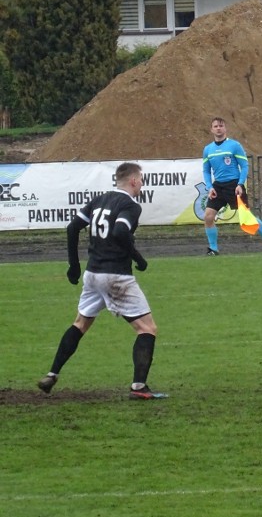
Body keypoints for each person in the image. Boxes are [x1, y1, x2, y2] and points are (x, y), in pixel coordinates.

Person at [37, 162, 167, 400]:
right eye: (141, 180)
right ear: (134, 181)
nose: (141, 184)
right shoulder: (130, 205)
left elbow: (73, 227)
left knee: (80, 323)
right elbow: (119, 232)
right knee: (147, 329)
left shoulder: (98, 200)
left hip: (93, 274)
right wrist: (139, 258)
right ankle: (139, 387)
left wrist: (74, 265)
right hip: (116, 276)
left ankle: (52, 374)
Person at [202, 117, 262, 255]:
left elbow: (244, 165)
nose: (218, 128)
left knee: (247, 217)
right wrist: (209, 186)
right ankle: (213, 248)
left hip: (234, 185)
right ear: (211, 129)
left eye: (221, 126)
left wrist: (240, 184)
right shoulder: (208, 149)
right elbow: (206, 170)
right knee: (208, 216)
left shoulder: (235, 145)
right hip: (218, 187)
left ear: (225, 128)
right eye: (216, 126)